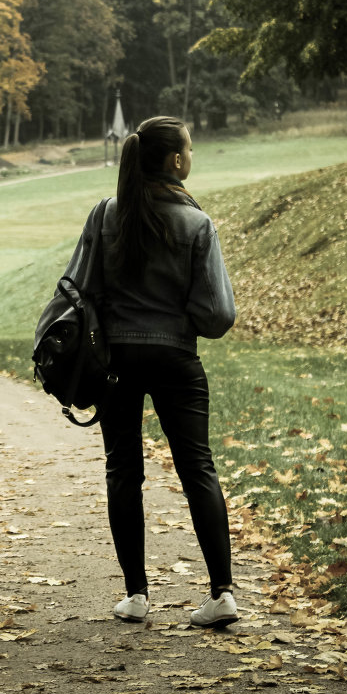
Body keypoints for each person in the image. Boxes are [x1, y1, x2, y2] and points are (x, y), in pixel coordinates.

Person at [70, 115, 237, 627]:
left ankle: (137, 596)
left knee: (123, 471)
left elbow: (78, 289)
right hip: (175, 359)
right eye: (190, 149)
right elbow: (218, 316)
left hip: (115, 363)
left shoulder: (105, 215)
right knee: (197, 468)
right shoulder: (197, 224)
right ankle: (222, 594)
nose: (192, 156)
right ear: (176, 160)